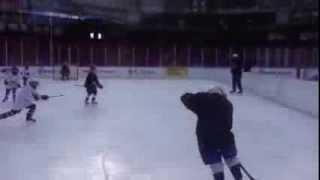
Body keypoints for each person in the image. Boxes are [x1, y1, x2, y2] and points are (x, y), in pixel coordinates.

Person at [181, 87, 243, 180]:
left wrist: (198, 96)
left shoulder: (202, 102)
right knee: (231, 159)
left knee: (215, 164)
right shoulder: (228, 104)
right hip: (225, 138)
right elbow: (229, 124)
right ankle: (238, 177)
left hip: (207, 140)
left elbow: (185, 98)